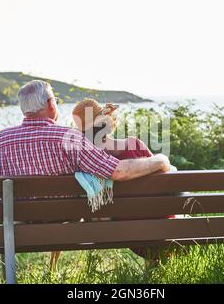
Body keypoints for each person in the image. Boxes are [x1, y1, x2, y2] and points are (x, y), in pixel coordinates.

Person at [0, 80, 171, 270]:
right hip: (63, 221)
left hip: (18, 224)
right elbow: (116, 171)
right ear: (51, 104)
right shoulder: (69, 137)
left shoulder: (1, 139)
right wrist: (159, 161)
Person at [72, 98, 175, 268]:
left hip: (121, 226)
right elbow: (163, 175)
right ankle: (154, 265)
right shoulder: (134, 145)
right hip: (158, 222)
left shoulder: (84, 158)